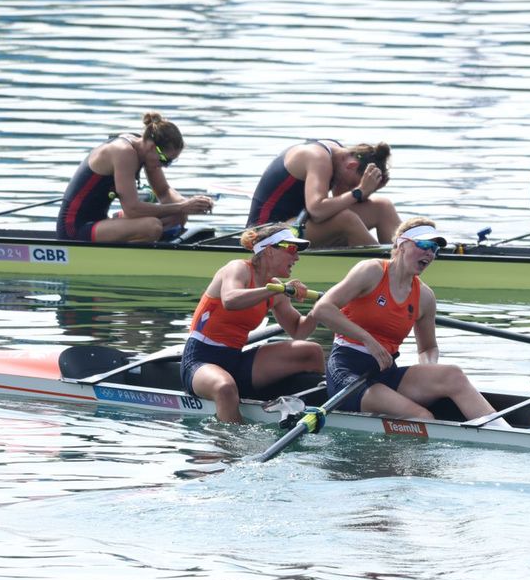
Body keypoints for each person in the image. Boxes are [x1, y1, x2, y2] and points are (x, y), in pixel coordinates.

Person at [311, 217, 509, 425]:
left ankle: (506, 433)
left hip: (386, 372)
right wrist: (368, 340)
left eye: (434, 249)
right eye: (424, 245)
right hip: (347, 370)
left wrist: (429, 370)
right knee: (422, 417)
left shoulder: (425, 296)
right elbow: (322, 309)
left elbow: (428, 348)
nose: (430, 253)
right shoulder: (371, 271)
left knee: (452, 374)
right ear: (401, 245)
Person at [181, 223, 325, 423]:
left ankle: (309, 407)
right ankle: (232, 446)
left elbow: (298, 331)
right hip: (200, 360)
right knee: (225, 388)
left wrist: (320, 309)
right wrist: (278, 289)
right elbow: (230, 300)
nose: (297, 257)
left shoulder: (276, 290)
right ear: (268, 251)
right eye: (292, 249)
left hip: (236, 360)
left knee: (312, 352)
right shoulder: (238, 268)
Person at [56, 111, 215, 242]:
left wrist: (191, 204)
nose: (164, 165)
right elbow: (132, 209)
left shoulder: (146, 150)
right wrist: (182, 206)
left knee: (177, 216)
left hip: (100, 222)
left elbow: (164, 191)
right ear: (153, 147)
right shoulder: (123, 152)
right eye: (165, 160)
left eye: (171, 162)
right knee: (151, 226)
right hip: (74, 229)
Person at [246, 139, 400, 248]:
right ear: (352, 165)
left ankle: (403, 259)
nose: (351, 188)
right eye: (353, 184)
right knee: (346, 219)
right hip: (264, 232)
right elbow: (318, 211)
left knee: (382, 206)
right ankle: (389, 272)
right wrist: (360, 190)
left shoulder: (340, 156)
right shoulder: (317, 158)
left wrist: (369, 190)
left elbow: (340, 201)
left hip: (298, 223)